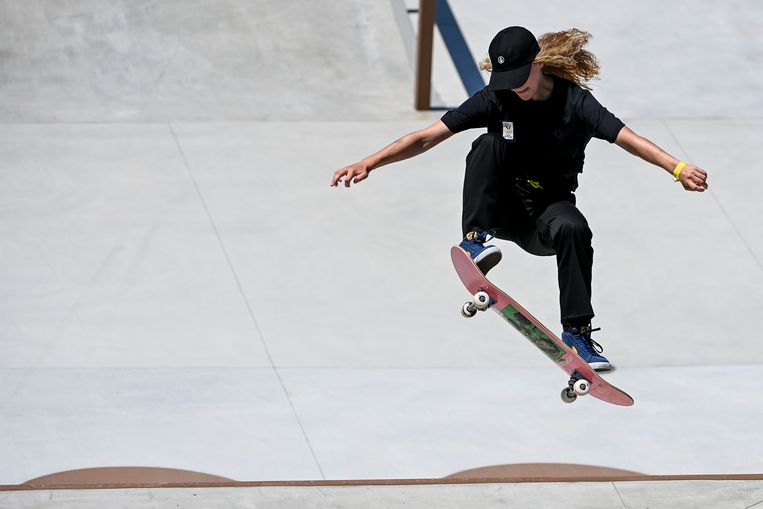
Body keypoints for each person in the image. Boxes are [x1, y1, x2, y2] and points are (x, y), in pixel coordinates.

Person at [330, 26, 708, 371]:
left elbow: (629, 139)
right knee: (487, 143)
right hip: (503, 207)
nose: (515, 88)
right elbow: (428, 136)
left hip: (545, 214)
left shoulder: (576, 103)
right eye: (506, 81)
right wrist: (370, 162)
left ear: (538, 64)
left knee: (574, 227)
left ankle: (576, 333)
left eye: (520, 78)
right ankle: (476, 240)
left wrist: (677, 169)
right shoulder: (496, 99)